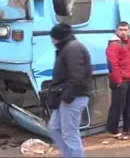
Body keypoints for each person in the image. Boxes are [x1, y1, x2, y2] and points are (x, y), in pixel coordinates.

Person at [47, 23, 93, 158]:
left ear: (59, 37)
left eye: (53, 37)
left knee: (70, 134)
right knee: (54, 128)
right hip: (67, 96)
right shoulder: (67, 47)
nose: (51, 40)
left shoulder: (72, 48)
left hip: (74, 97)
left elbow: (77, 77)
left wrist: (67, 96)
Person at [105, 21, 130, 140]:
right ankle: (113, 130)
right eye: (120, 29)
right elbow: (113, 65)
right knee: (117, 106)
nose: (123, 32)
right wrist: (118, 80)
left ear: (129, 31)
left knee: (129, 105)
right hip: (120, 80)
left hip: (128, 78)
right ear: (116, 31)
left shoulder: (128, 42)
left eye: (125, 29)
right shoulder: (114, 45)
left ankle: (129, 128)